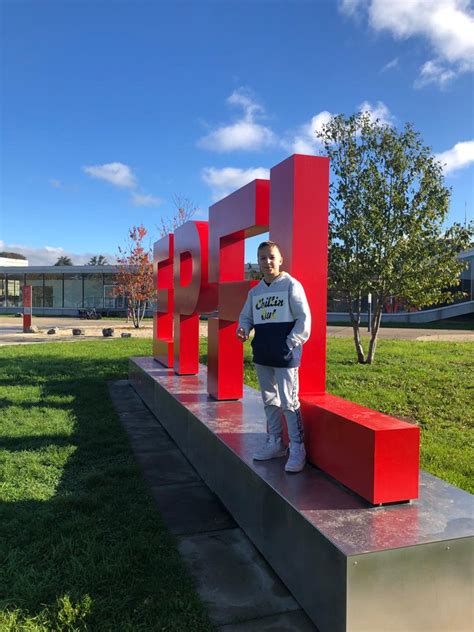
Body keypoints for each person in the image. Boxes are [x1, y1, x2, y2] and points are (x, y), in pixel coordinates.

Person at [236, 240, 311, 473]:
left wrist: (290, 343)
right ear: (257, 262)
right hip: (262, 355)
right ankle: (276, 442)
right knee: (269, 401)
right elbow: (246, 317)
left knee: (289, 401)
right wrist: (243, 329)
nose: (267, 262)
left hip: (285, 356)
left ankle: (297, 447)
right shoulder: (255, 292)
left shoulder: (291, 285)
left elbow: (304, 319)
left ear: (280, 260)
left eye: (271, 257)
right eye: (262, 258)